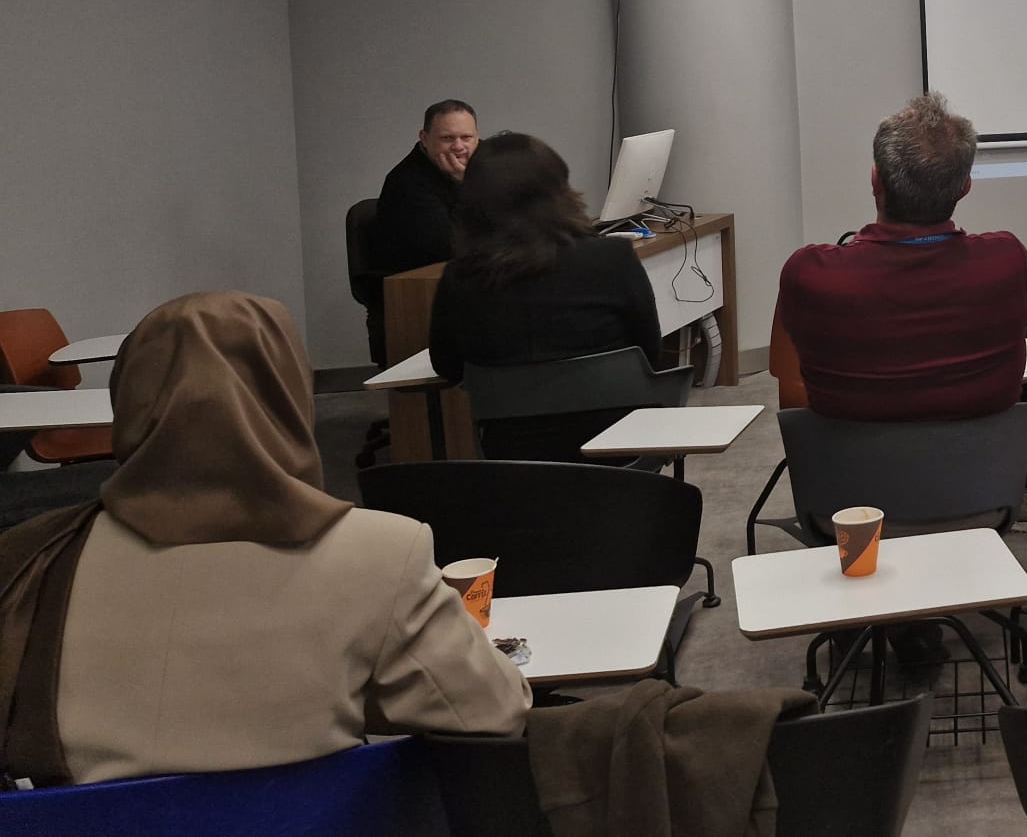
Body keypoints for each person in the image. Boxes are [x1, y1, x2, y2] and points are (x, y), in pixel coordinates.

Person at [0, 291, 528, 786]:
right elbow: (491, 713)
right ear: (289, 393)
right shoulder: (384, 553)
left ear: (127, 401)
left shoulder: (35, 556)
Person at [777, 92, 1027, 425]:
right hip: (982, 460)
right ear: (965, 187)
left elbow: (790, 370)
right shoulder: (1007, 262)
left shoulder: (809, 275)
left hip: (851, 459)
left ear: (875, 180)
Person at [428, 132, 666, 461]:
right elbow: (650, 351)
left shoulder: (459, 278)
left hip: (513, 461)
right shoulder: (613, 258)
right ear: (561, 192)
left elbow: (448, 366)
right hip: (622, 451)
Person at [371, 98, 480, 274]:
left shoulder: (486, 164)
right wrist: (465, 185)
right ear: (424, 138)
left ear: (477, 138)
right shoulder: (406, 182)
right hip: (418, 280)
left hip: (467, 272)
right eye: (447, 138)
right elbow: (451, 246)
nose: (459, 146)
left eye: (466, 137)